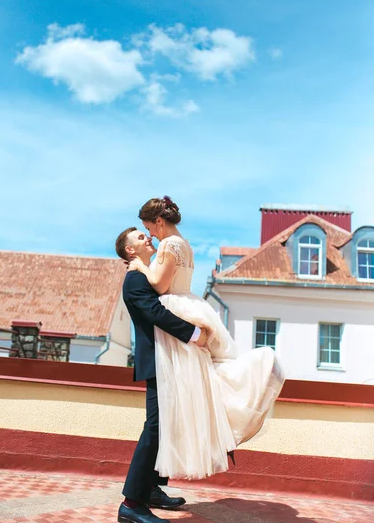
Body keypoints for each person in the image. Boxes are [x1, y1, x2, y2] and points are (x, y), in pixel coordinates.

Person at [128, 196, 285, 481]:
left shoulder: (167, 245)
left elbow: (160, 285)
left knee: (172, 408)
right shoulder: (184, 244)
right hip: (192, 305)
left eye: (149, 227)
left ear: (159, 221)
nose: (150, 233)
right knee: (182, 401)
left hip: (176, 311)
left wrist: (140, 266)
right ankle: (153, 486)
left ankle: (143, 493)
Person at [115, 227, 208, 523]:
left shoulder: (149, 274)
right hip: (157, 361)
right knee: (154, 427)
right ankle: (131, 503)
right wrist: (193, 333)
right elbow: (155, 312)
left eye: (147, 234)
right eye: (140, 238)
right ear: (130, 251)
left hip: (168, 359)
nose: (148, 238)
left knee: (165, 426)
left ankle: (152, 489)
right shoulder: (135, 279)